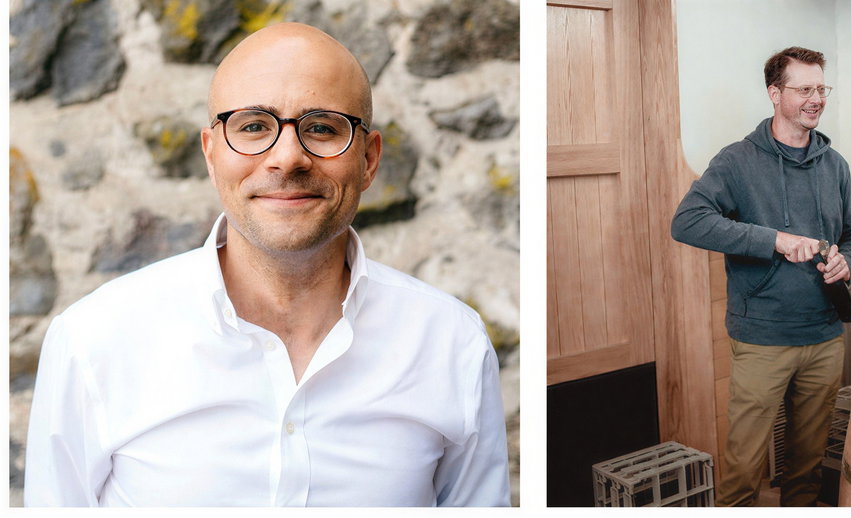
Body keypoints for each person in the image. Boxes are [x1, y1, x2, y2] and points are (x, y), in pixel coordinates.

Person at [23, 23, 509, 507]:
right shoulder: (94, 340)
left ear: (369, 159)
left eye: (321, 127)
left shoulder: (452, 343)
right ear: (212, 154)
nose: (288, 157)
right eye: (254, 126)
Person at [671, 46, 851, 507]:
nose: (815, 98)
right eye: (804, 89)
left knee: (807, 466)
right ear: (774, 93)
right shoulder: (738, 161)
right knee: (744, 465)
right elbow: (687, 222)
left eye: (822, 88)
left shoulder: (835, 165)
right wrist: (772, 239)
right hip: (762, 337)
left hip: (824, 334)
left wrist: (849, 264)